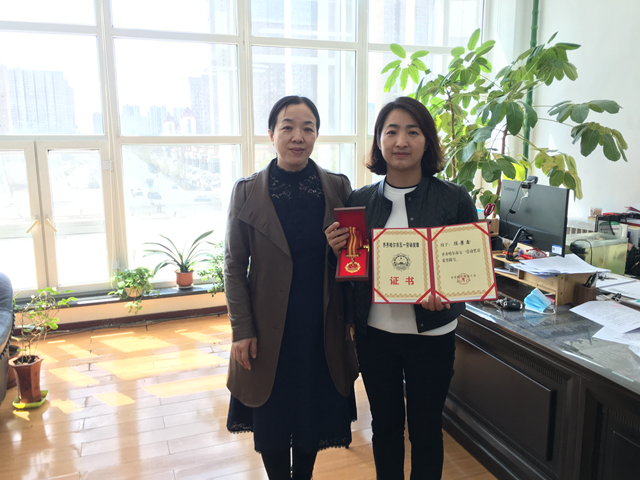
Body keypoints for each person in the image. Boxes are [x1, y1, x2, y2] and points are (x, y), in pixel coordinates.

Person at [326, 96, 478, 479]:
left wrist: (447, 297)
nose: (401, 141)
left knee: (426, 430)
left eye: (413, 132)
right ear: (379, 141)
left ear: (427, 141)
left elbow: (470, 271)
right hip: (375, 336)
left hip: (433, 336)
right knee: (385, 427)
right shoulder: (359, 201)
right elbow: (351, 270)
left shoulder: (454, 199)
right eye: (391, 131)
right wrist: (335, 250)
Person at [224, 95, 359, 480]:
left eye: (307, 128)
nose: (298, 136)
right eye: (288, 127)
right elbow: (233, 265)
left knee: (310, 412)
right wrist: (241, 329)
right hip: (267, 329)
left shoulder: (337, 187)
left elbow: (355, 260)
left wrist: (340, 254)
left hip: (321, 324)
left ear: (317, 135)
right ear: (271, 134)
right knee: (272, 414)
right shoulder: (247, 191)